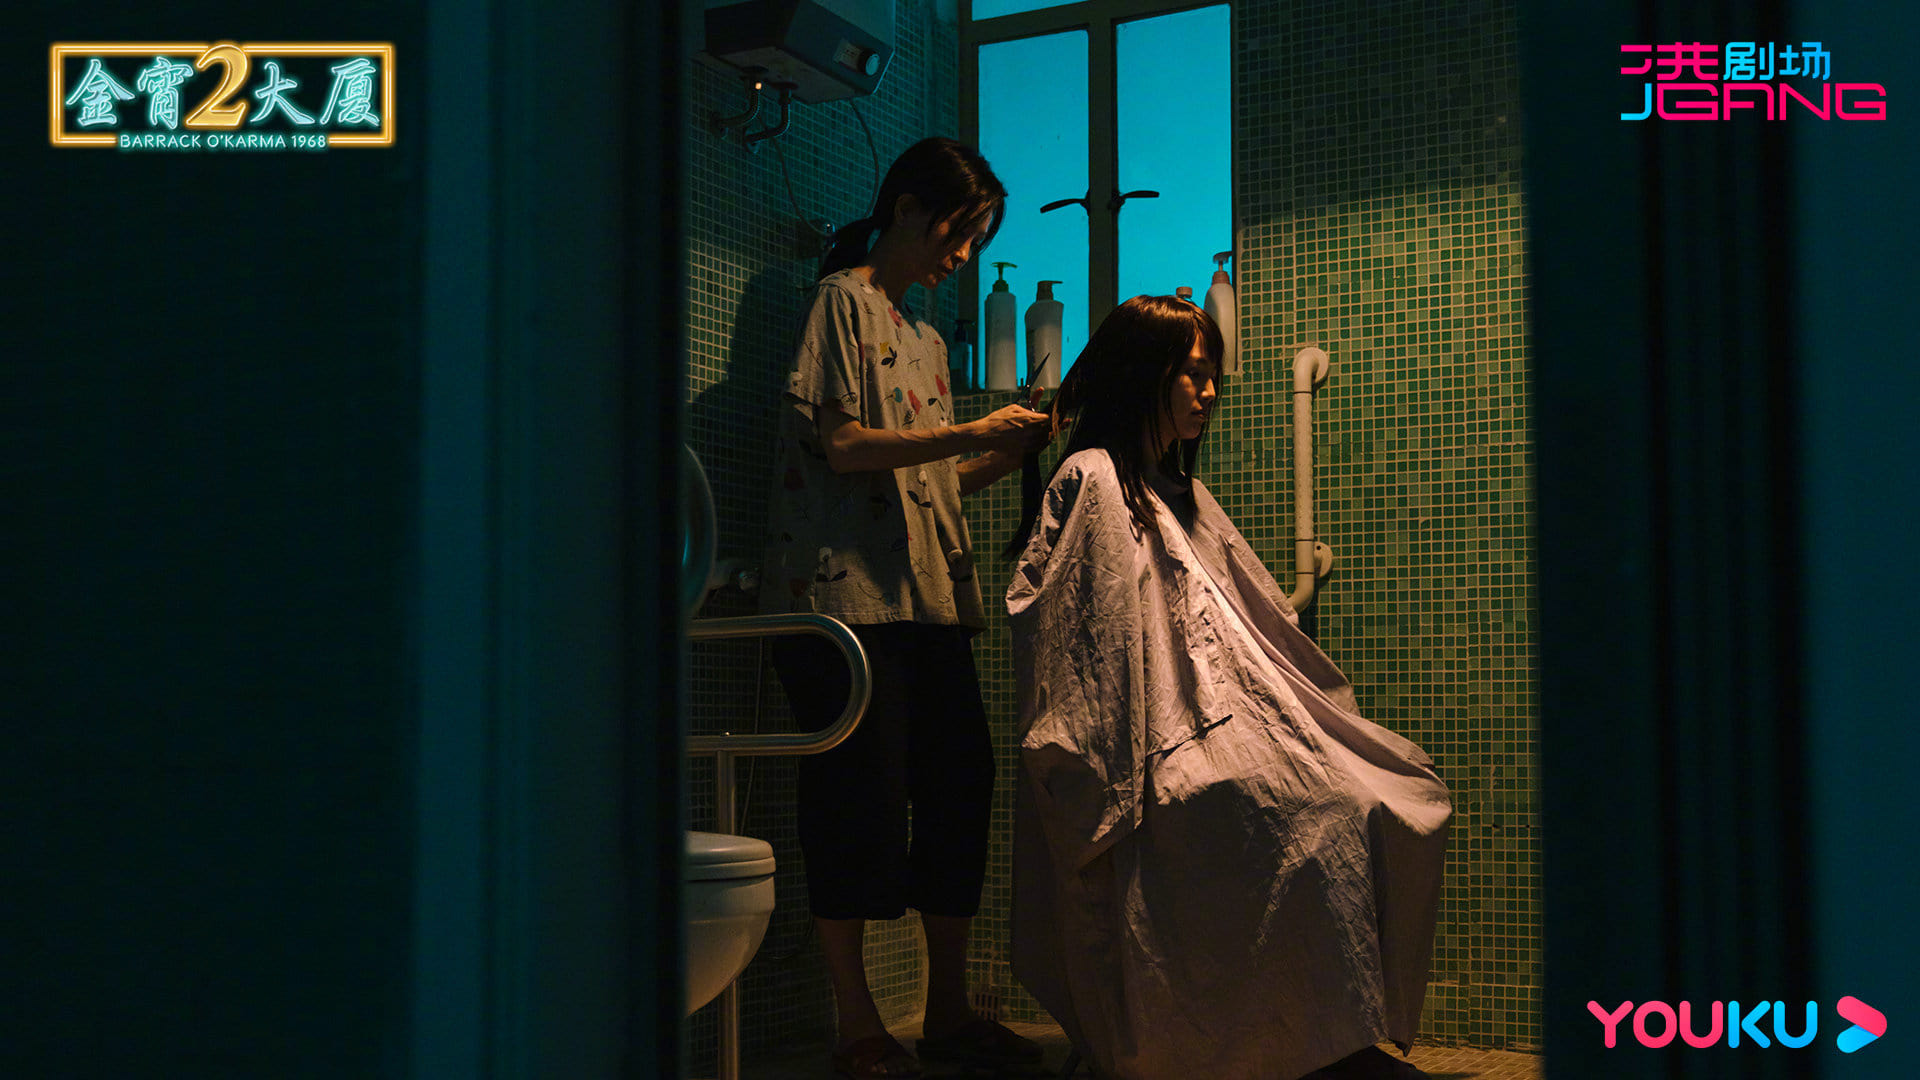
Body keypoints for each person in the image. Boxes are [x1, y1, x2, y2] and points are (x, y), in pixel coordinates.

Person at [1004, 296, 1453, 1080]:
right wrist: (1156, 750)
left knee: (1387, 791)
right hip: (1144, 747)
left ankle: (1320, 1037)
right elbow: (1085, 653)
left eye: (1212, 375)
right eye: (1192, 374)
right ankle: (1295, 1047)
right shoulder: (1094, 479)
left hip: (1219, 724)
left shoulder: (1176, 490)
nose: (1210, 392)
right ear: (1143, 375)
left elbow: (1258, 621)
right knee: (1307, 814)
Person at [760, 136, 1052, 1080]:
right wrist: (970, 429)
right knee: (860, 804)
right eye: (959, 233)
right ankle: (857, 1023)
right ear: (909, 209)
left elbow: (924, 482)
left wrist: (997, 456)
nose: (962, 256)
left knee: (962, 787)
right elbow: (845, 447)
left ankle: (949, 1011)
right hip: (843, 603)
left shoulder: (923, 339)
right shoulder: (840, 302)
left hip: (925, 601)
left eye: (977, 241)